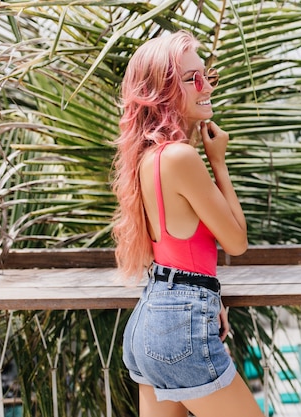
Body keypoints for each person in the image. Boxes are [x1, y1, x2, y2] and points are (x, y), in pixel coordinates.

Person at [112, 30, 263, 417]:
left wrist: (207, 297)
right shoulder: (180, 158)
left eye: (206, 75)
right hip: (179, 327)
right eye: (191, 78)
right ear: (162, 91)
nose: (205, 86)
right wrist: (219, 162)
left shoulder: (148, 158)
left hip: (152, 318)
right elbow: (236, 241)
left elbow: (177, 254)